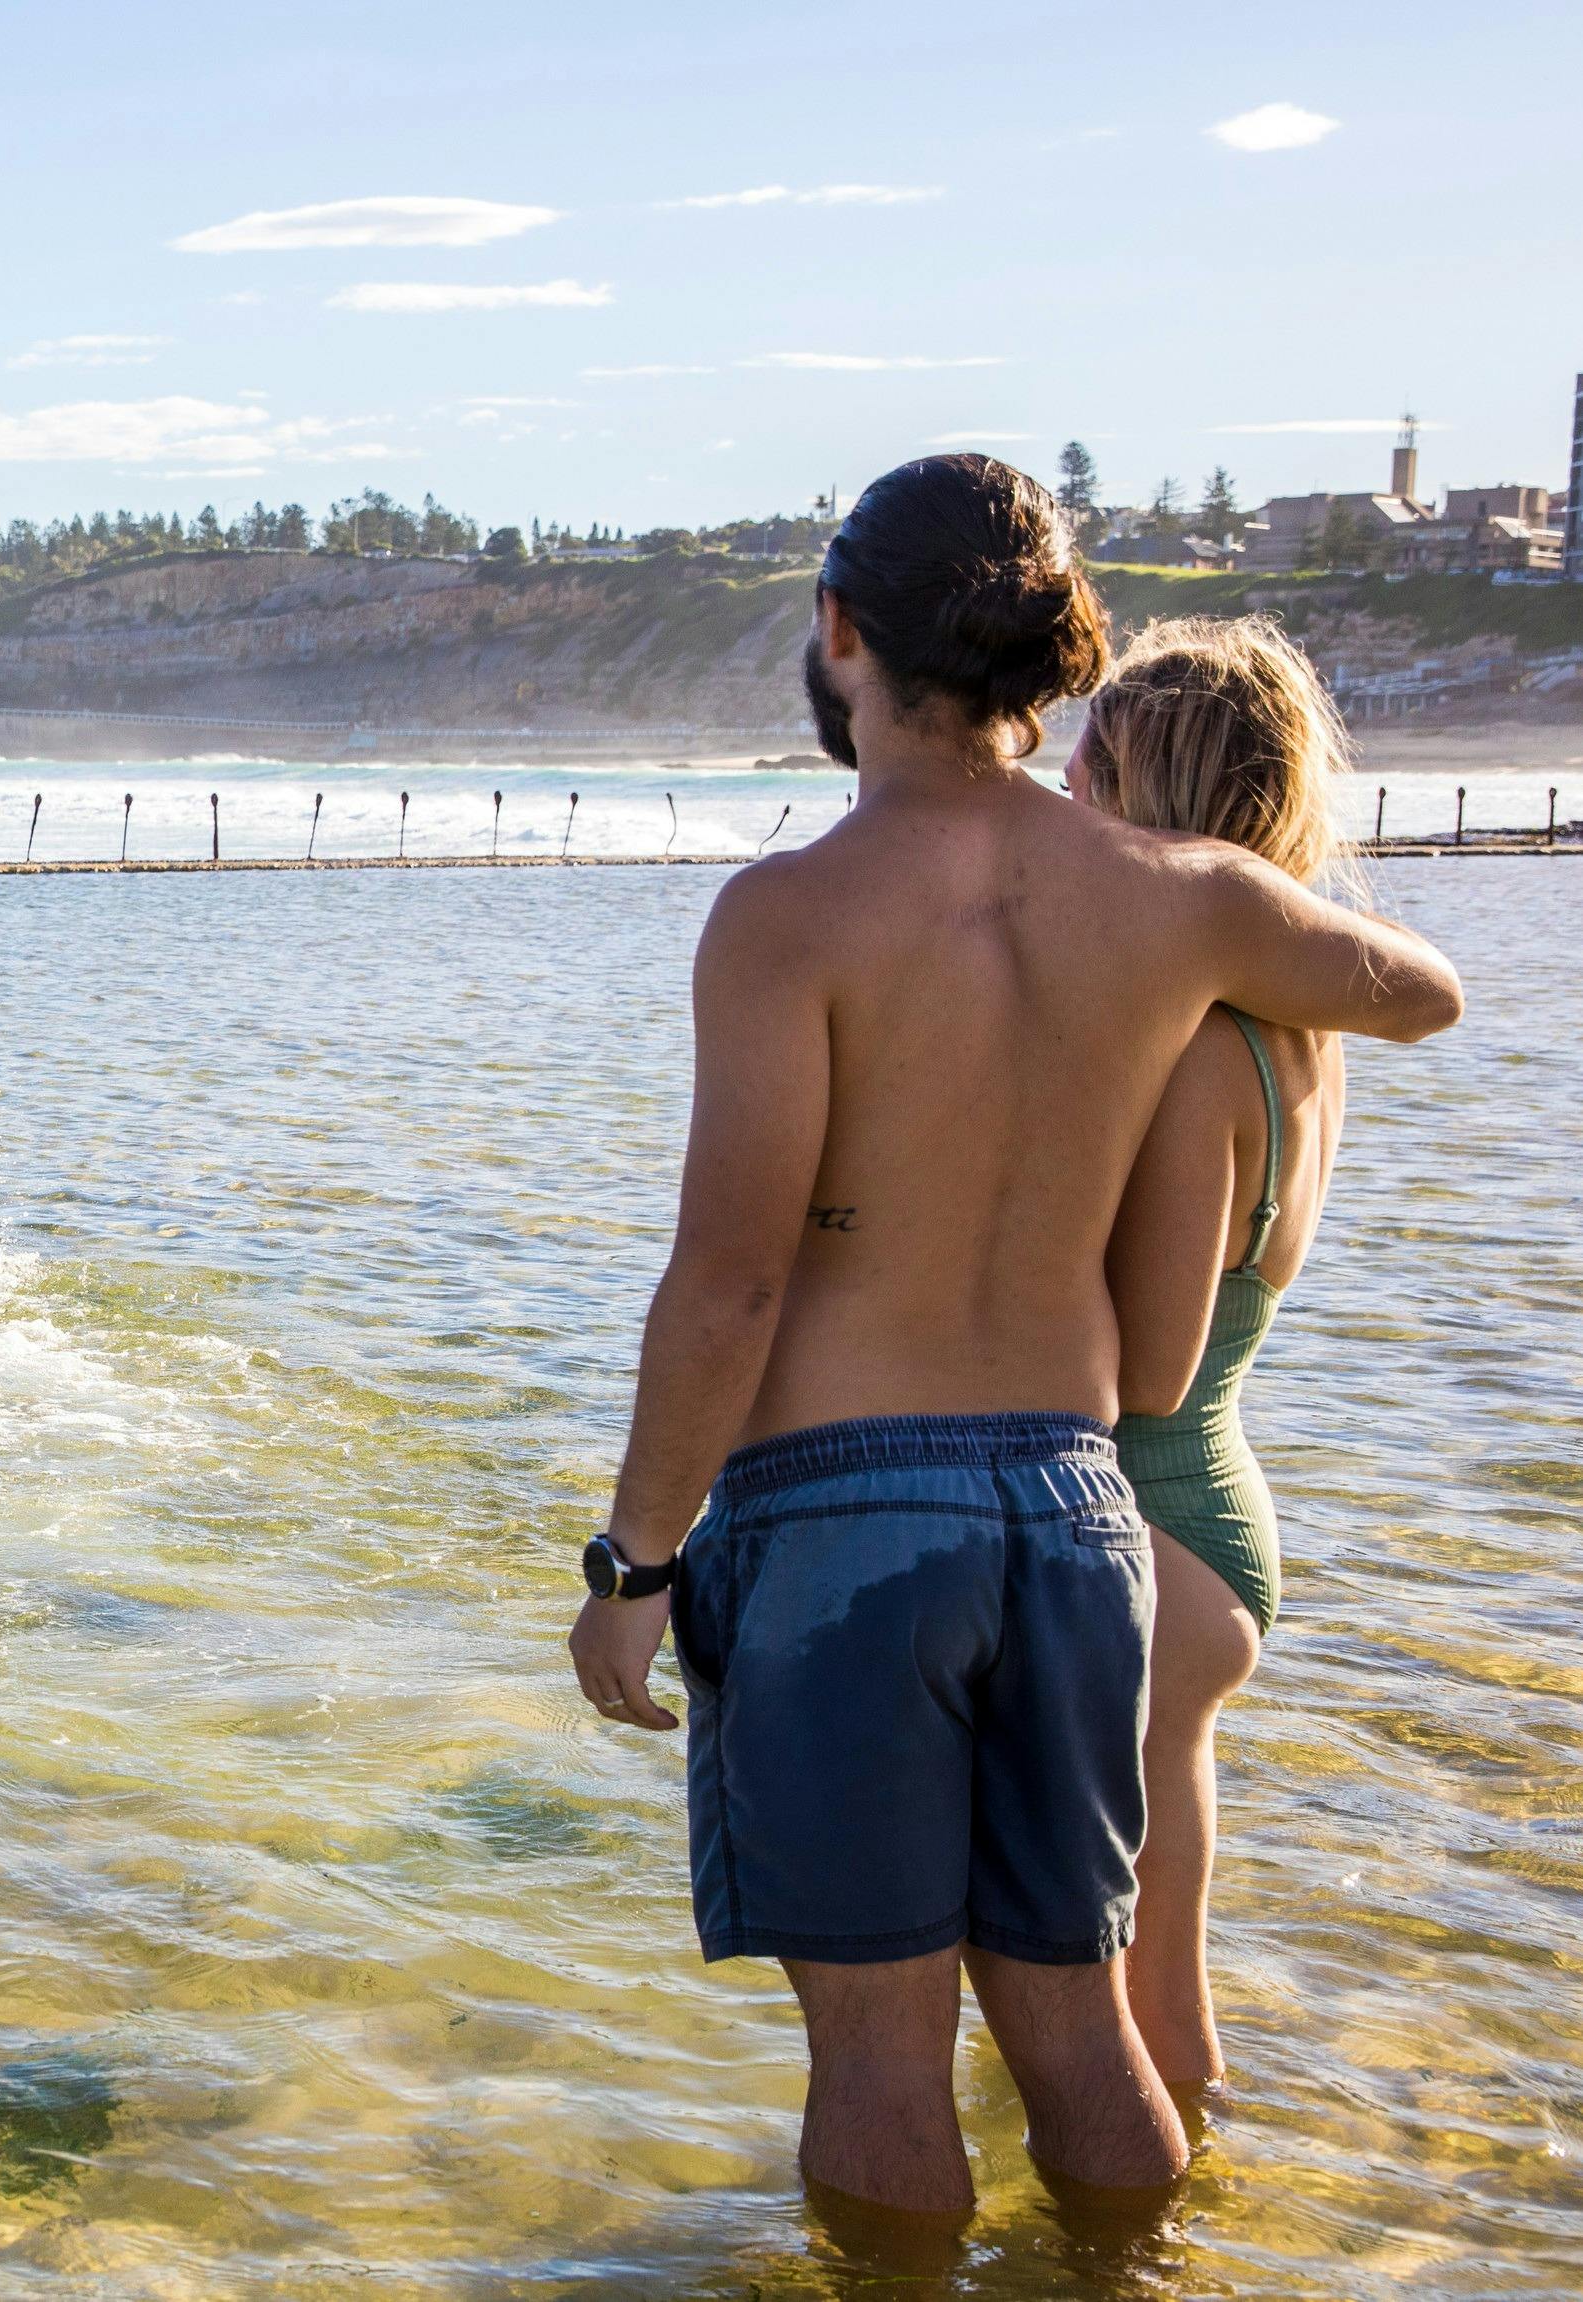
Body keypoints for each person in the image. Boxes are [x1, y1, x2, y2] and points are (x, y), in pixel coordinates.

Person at [565, 455, 1461, 2221]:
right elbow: (1419, 989)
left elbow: (727, 1286)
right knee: (1076, 2038)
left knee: (881, 2067)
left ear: (839, 632)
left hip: (840, 1529)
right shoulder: (1178, 891)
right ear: (1050, 648)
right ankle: (1143, 2273)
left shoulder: (784, 918)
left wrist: (632, 1559)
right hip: (1072, 1516)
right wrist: (1228, 931)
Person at [1071, 618, 1362, 2096]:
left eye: (1092, 768)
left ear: (1156, 797)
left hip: (1155, 1528)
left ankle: (1147, 2250)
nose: (1064, 793)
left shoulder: (1194, 1050)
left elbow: (1153, 1372)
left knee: (1140, 2013)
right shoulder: (1294, 1031)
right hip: (1213, 1523)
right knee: (1152, 1980)